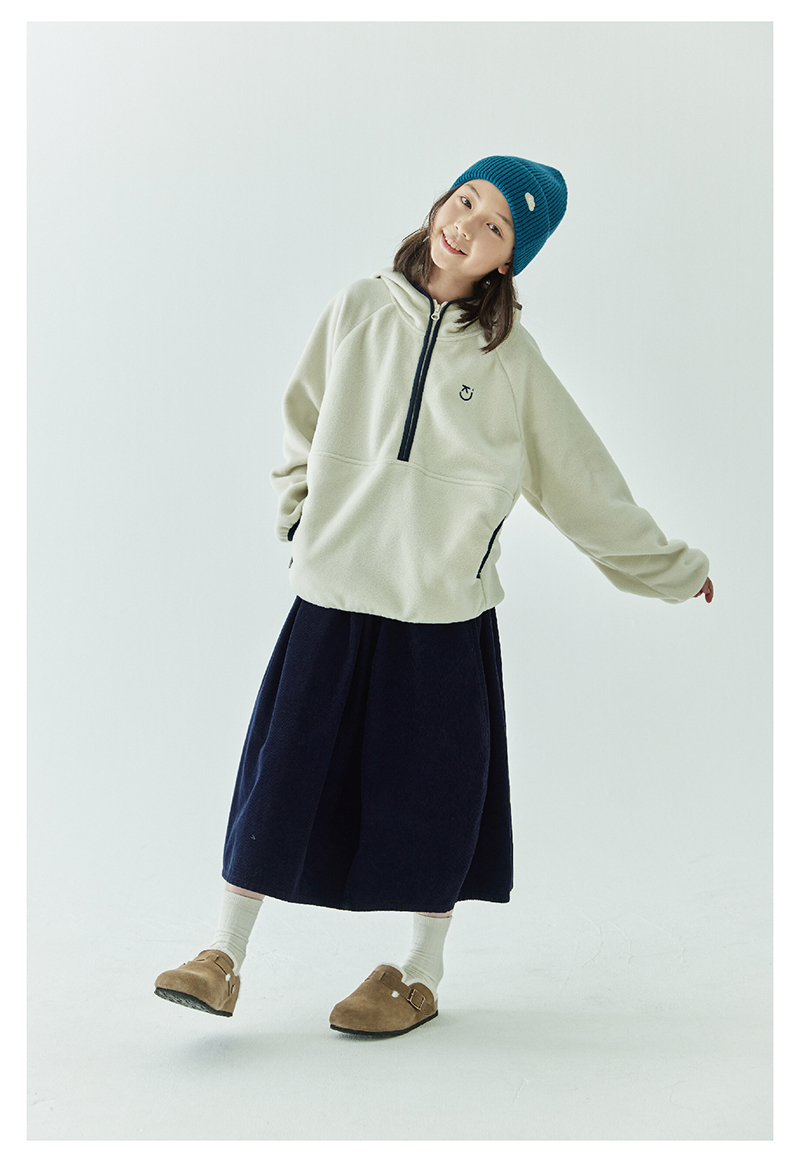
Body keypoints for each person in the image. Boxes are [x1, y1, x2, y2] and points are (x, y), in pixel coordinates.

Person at [154, 156, 713, 1038]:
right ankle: (222, 956)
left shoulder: (511, 360)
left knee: (434, 797)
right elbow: (302, 417)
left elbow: (582, 483)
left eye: (496, 227)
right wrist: (300, 516)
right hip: (334, 594)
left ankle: (419, 973)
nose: (468, 227)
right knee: (281, 776)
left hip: (442, 613)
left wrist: (669, 568)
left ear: (508, 260)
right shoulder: (358, 307)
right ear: (440, 203)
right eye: (466, 201)